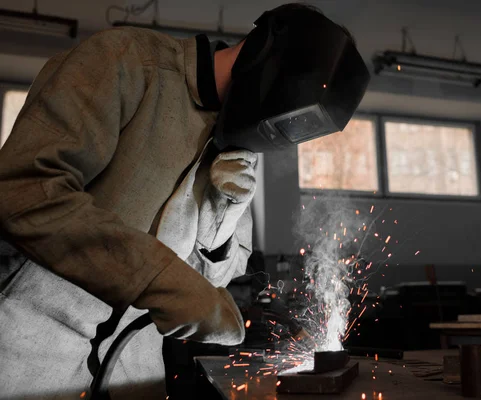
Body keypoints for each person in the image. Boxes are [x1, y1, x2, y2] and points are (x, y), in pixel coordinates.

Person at [0, 3, 368, 399]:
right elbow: (25, 190)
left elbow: (209, 285)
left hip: (132, 365)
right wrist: (161, 281)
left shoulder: (239, 143)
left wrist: (224, 214)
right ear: (266, 52)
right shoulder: (125, 61)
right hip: (26, 348)